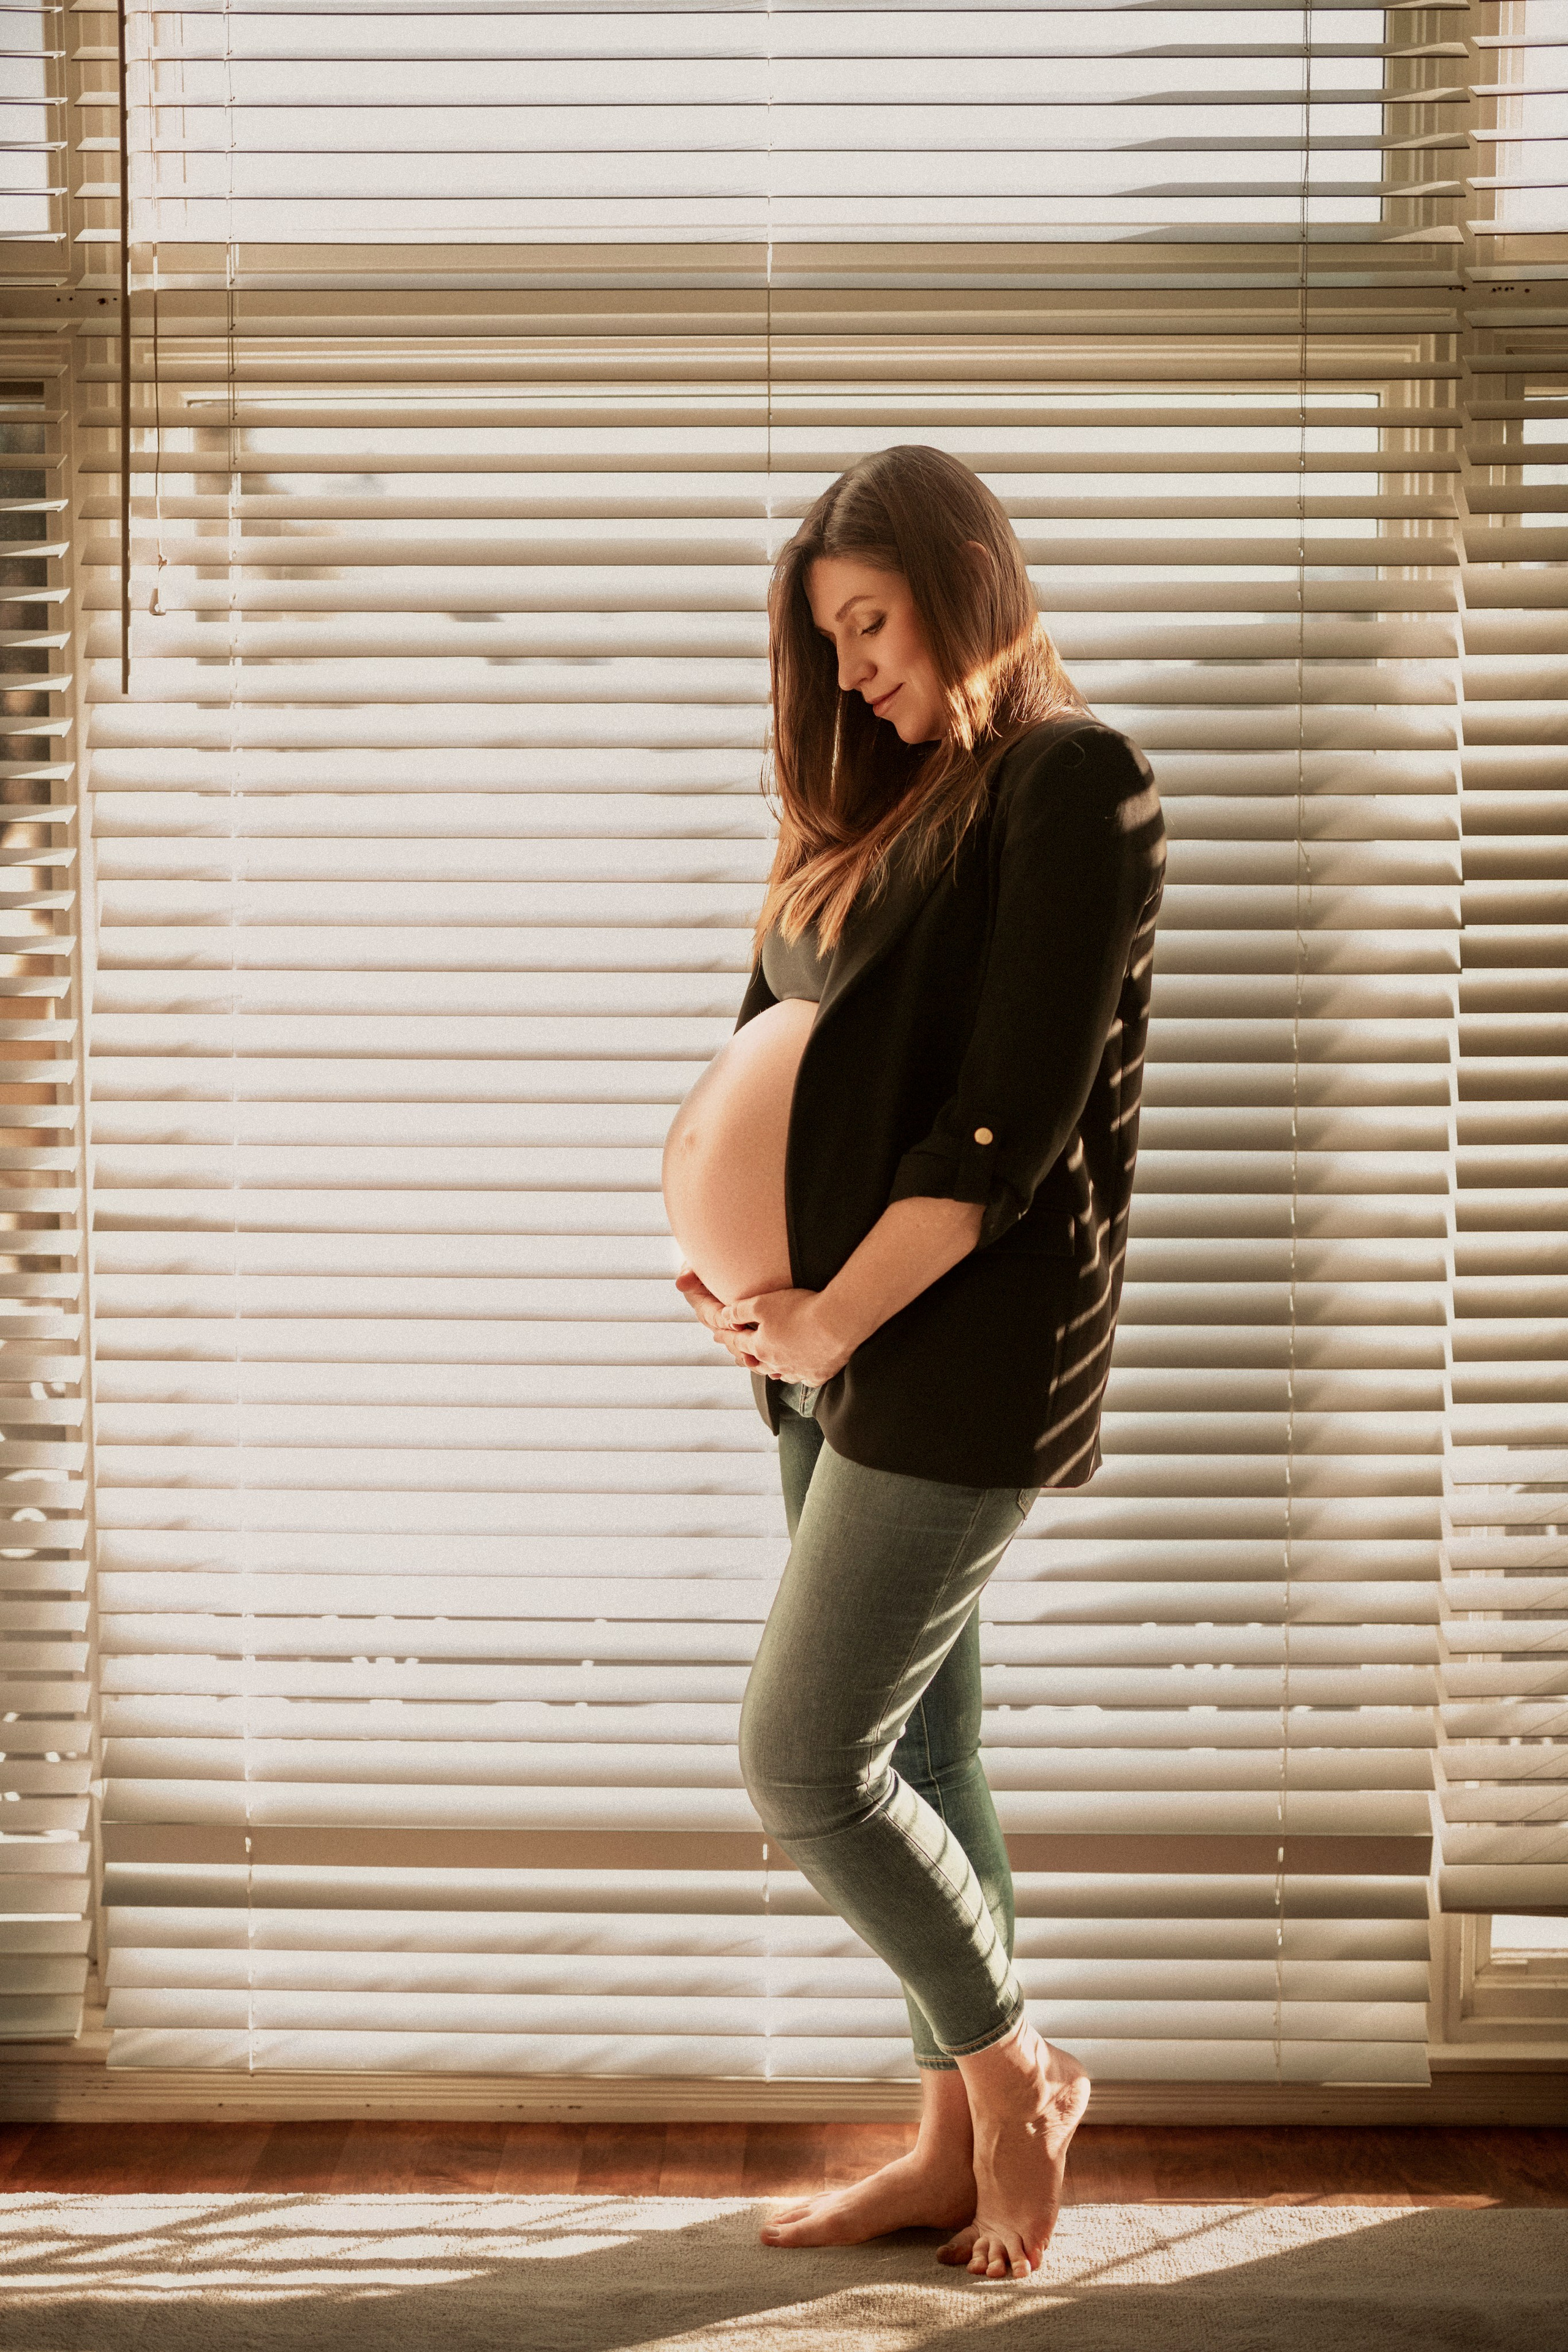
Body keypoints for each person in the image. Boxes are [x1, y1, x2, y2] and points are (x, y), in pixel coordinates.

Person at [671, 445, 1165, 2280]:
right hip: (812, 1340)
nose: (856, 666)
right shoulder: (886, 807)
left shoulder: (1075, 782)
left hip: (955, 1345)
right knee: (926, 1751)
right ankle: (946, 2144)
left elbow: (1004, 1130)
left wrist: (826, 1310)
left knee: (804, 1758)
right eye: (831, 639)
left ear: (965, 579)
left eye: (871, 623)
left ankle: (1020, 2076)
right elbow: (777, 1061)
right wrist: (730, 1277)